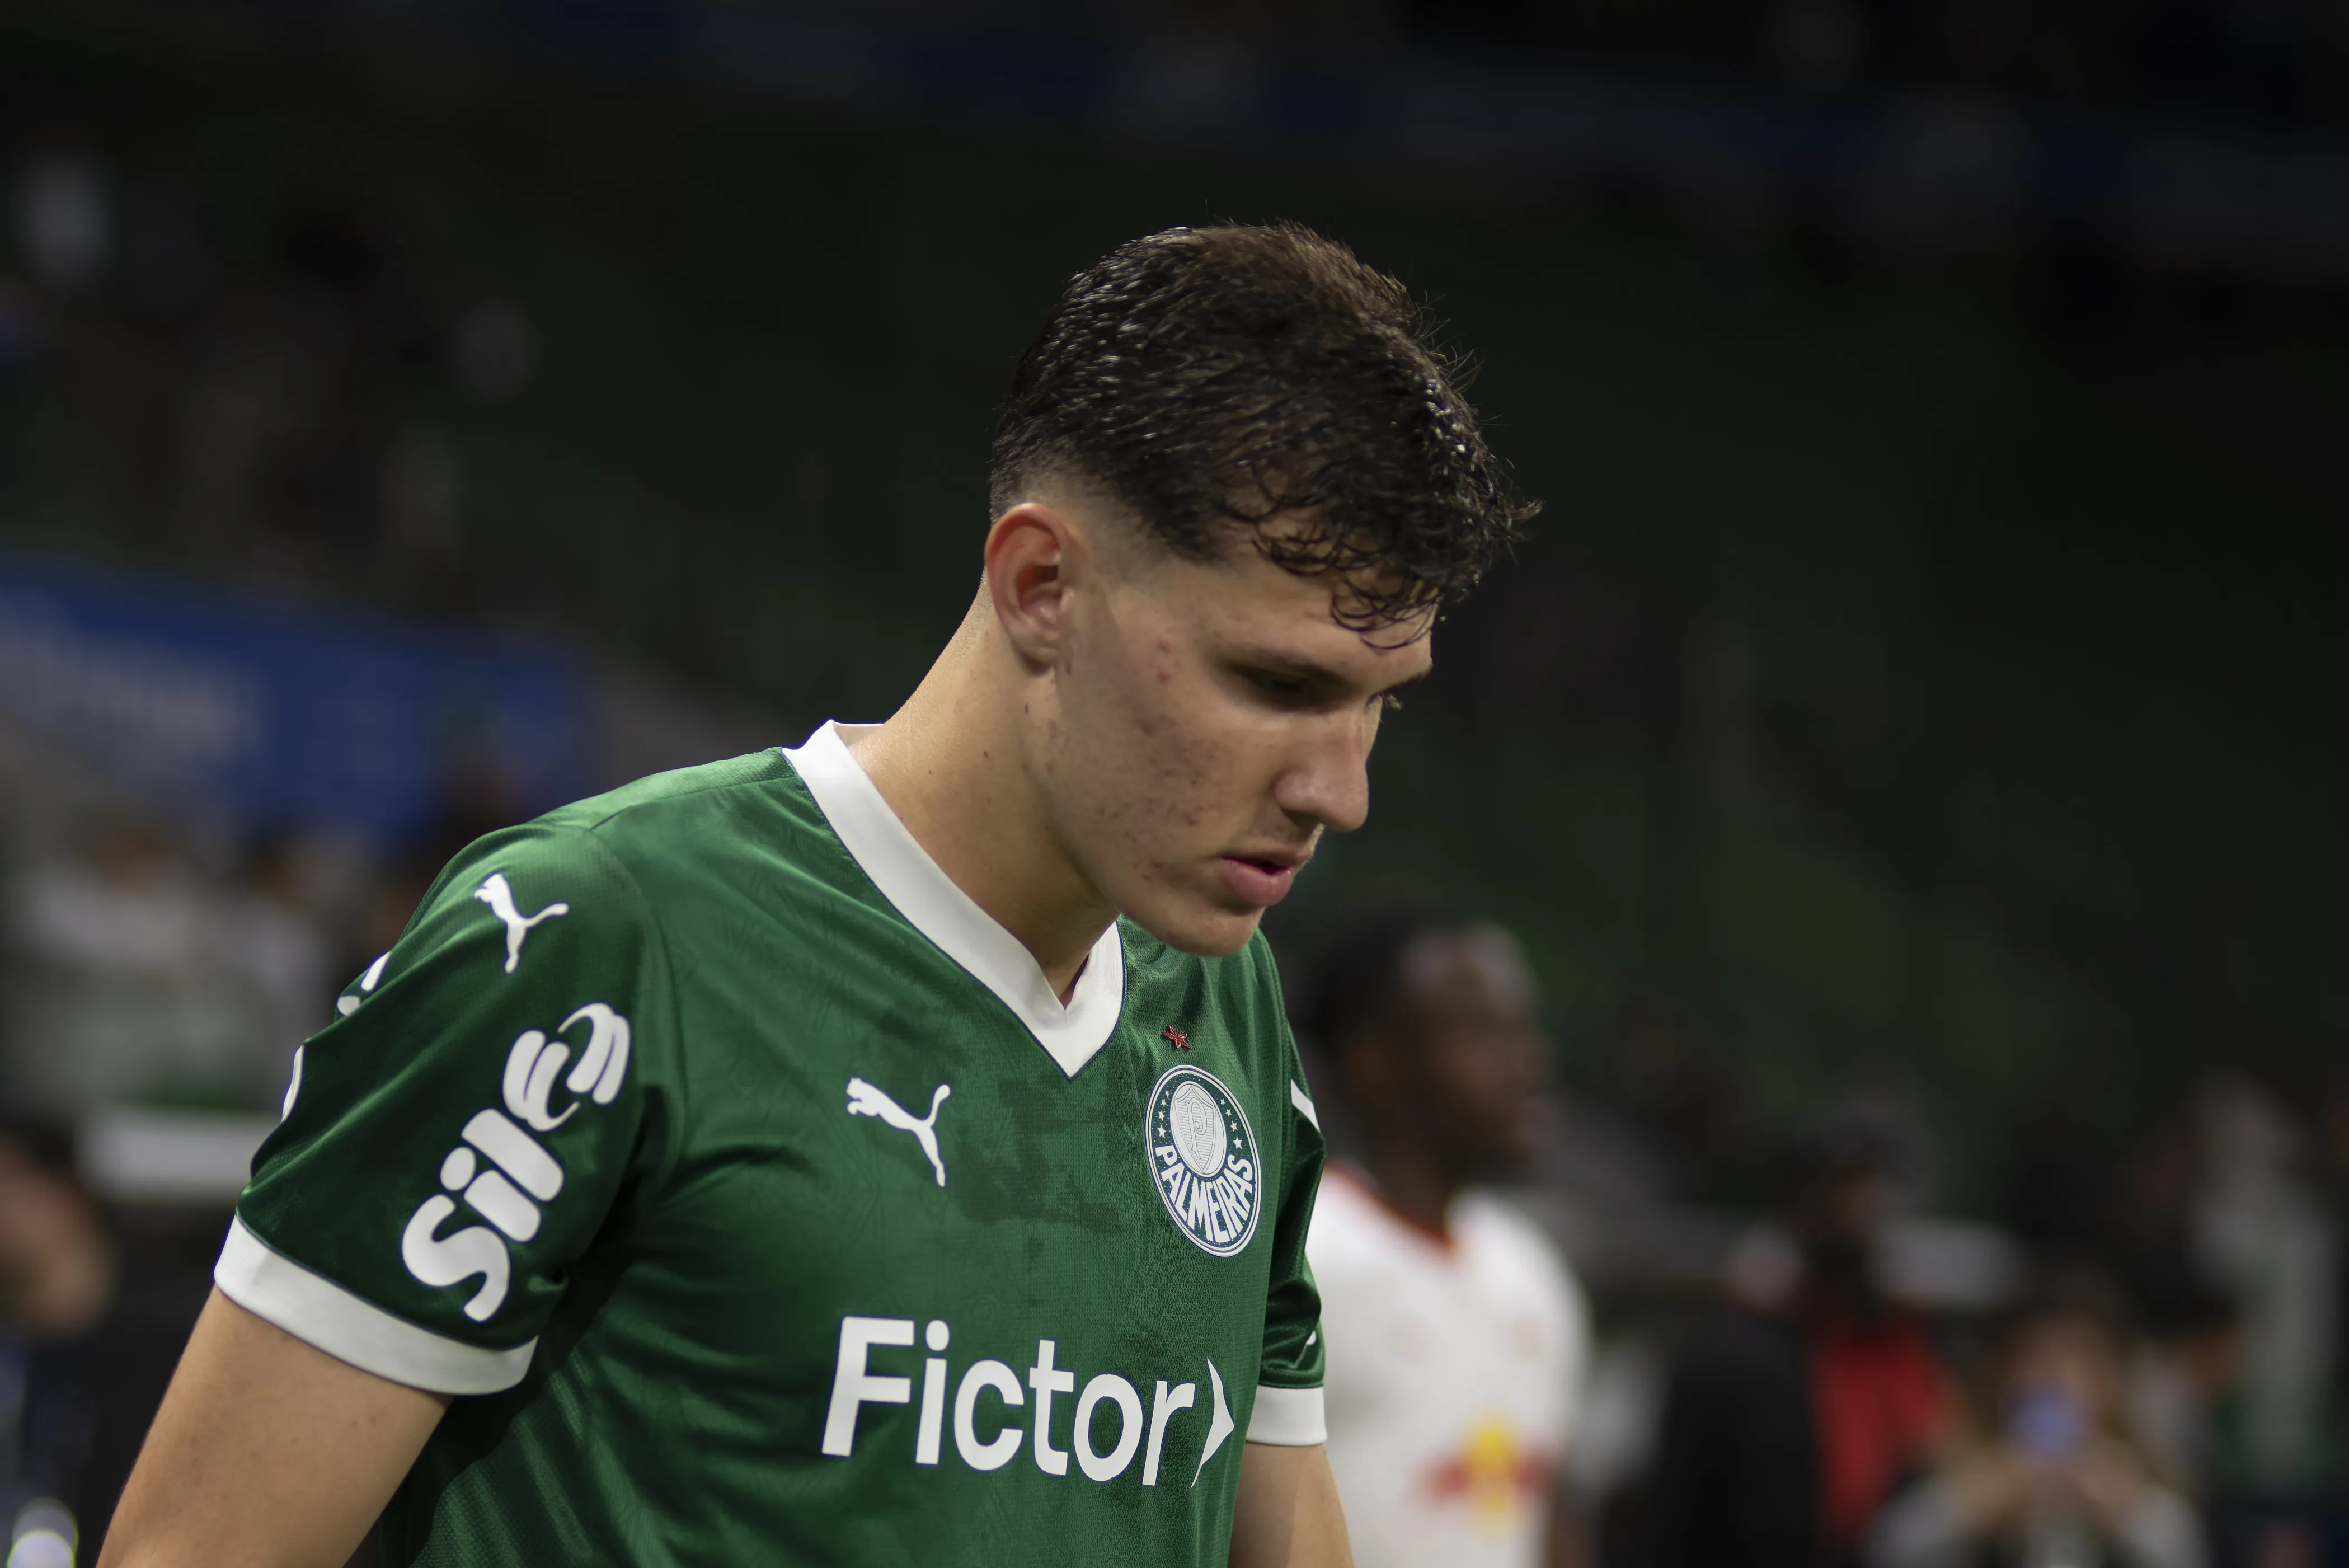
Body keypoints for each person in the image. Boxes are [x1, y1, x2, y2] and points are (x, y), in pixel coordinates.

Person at [97, 223, 1531, 1567]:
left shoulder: (1223, 1016)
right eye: (1276, 684)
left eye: (1375, 704)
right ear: (1041, 585)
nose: (1335, 791)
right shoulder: (590, 945)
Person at [1301, 911, 1594, 1568]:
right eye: (1481, 1031)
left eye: (1523, 1028)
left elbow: (1549, 1512)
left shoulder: (1535, 1271)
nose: (1528, 1059)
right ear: (1371, 1061)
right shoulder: (1304, 1256)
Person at [1637, 1108, 1951, 1568]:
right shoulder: (1731, 1353)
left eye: (1871, 1183)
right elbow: (1675, 1516)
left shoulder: (1904, 1346)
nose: (1861, 1204)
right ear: (1797, 1203)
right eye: (1841, 1184)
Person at [1867, 1281, 2205, 1568]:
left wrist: (2128, 1511)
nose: (2051, 1372)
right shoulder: (1961, 1464)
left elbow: (2189, 1554)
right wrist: (1966, 1506)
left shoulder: (2131, 1471)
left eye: (2073, 1356)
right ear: (2003, 1375)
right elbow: (1885, 1550)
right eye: (2033, 1355)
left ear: (2106, 1380)